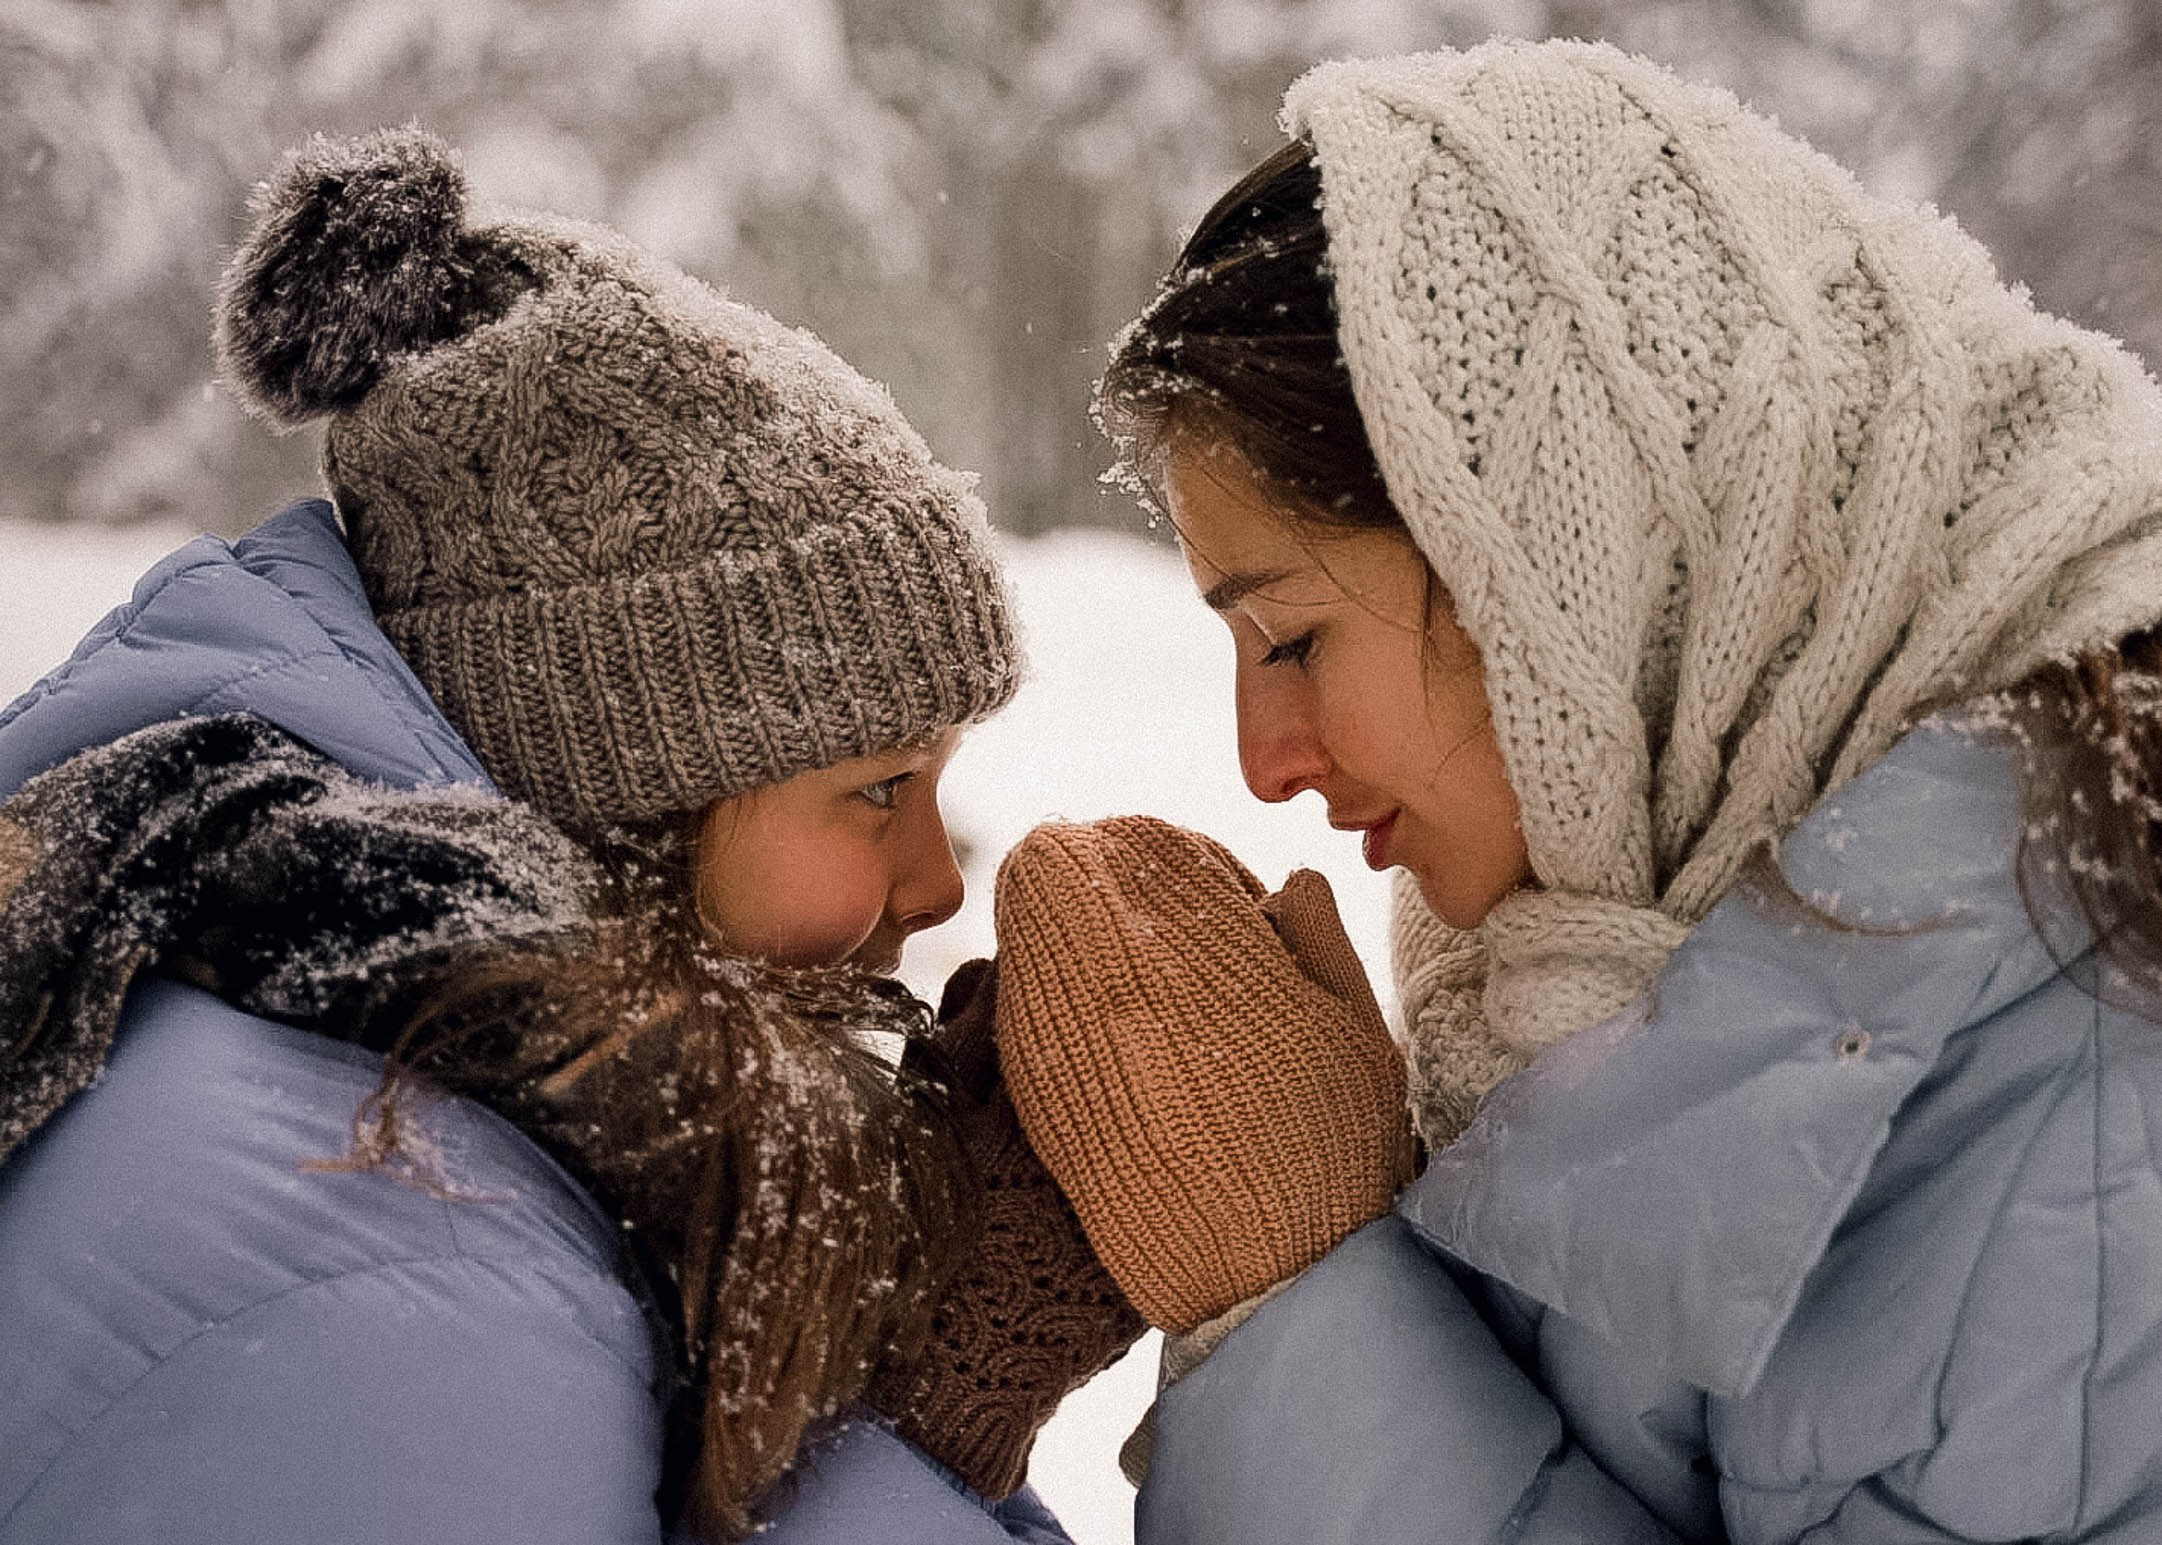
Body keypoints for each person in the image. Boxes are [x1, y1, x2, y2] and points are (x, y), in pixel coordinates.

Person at [986, 38, 2162, 1544]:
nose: (1260, 758)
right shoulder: (1627, 953)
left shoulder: (2095, 1074)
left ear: (1565, 562)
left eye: (1294, 638)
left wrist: (1299, 1307)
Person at [0, 128, 1137, 1545]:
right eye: (875, 789)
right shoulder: (403, 1237)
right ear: (624, 781)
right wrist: (929, 1418)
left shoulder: (312, 1009)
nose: (933, 881)